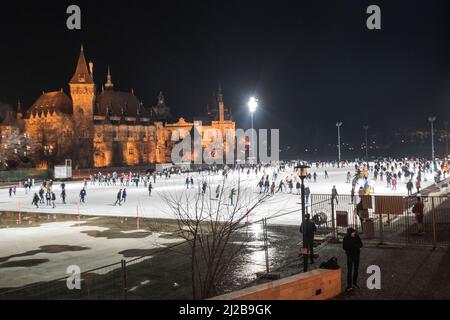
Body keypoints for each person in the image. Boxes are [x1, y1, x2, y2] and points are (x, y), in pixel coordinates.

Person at [343, 227, 363, 292]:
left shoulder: (356, 236)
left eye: (354, 232)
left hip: (356, 255)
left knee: (356, 270)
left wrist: (356, 246)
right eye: (353, 233)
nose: (354, 233)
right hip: (350, 255)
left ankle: (354, 283)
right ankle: (349, 285)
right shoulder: (346, 238)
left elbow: (361, 244)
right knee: (349, 271)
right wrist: (352, 247)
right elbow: (344, 247)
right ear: (349, 233)